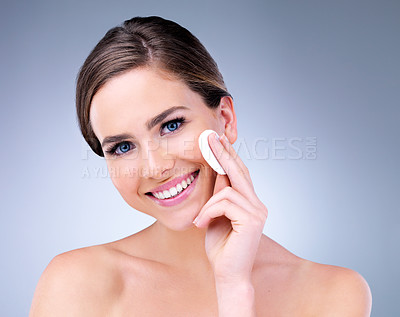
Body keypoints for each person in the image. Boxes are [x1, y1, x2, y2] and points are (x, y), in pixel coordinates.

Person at [29, 16, 372, 316]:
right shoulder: (76, 283)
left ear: (225, 118)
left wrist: (234, 288)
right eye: (122, 147)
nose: (155, 167)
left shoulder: (334, 293)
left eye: (172, 125)